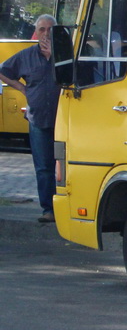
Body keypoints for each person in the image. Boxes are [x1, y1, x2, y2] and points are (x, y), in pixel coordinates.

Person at [0, 14, 60, 223]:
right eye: (42, 29)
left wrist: (54, 56)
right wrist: (22, 88)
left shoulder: (64, 54)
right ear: (36, 32)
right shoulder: (26, 56)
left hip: (65, 119)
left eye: (50, 29)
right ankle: (48, 209)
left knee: (66, 166)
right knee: (44, 167)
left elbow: (74, 76)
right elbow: (3, 70)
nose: (45, 34)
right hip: (38, 118)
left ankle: (67, 208)